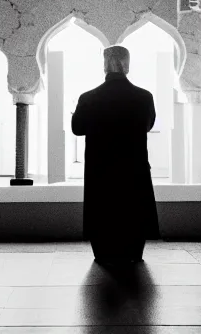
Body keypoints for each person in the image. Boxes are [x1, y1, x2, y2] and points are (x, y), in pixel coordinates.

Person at [71, 45, 159, 266]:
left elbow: (77, 128)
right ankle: (133, 253)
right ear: (127, 65)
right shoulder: (144, 97)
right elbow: (147, 125)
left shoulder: (88, 98)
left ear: (104, 64)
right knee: (134, 211)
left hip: (101, 169)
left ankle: (104, 253)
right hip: (133, 168)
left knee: (103, 213)